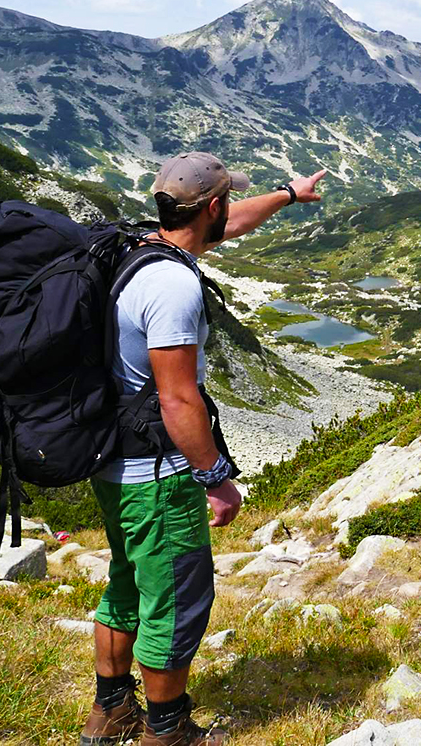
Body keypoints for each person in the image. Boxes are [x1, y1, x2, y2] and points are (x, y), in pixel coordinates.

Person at [80, 152, 327, 746]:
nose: (228, 214)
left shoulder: (141, 245)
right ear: (209, 207)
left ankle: (110, 711)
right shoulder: (173, 285)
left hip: (112, 462)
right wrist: (215, 476)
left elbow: (230, 222)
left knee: (128, 581)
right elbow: (178, 400)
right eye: (224, 202)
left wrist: (287, 197)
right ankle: (168, 732)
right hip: (158, 472)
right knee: (174, 596)